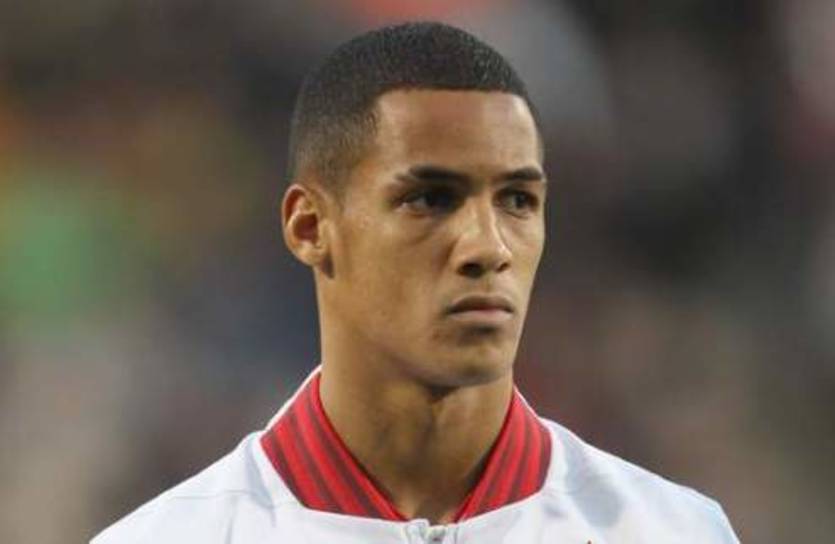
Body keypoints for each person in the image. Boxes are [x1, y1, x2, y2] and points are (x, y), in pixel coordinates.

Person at [92, 21, 740, 543]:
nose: (487, 247)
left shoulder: (671, 531)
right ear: (310, 226)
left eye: (517, 200)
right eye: (429, 199)